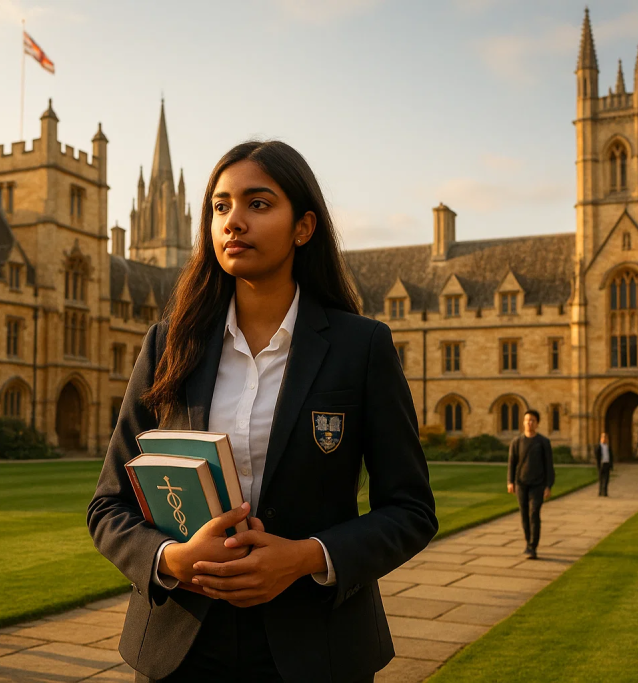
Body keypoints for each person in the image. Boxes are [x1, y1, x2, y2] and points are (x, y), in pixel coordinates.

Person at [87, 140, 438, 683]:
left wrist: (304, 557)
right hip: (181, 647)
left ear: (303, 227)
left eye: (258, 204)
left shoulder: (360, 347)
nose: (234, 222)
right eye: (221, 206)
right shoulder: (168, 346)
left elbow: (411, 510)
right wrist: (170, 560)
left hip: (315, 646)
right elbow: (108, 506)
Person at [506, 410, 554, 560]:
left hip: (538, 484)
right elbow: (512, 463)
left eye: (532, 420)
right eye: (527, 420)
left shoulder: (543, 442)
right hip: (521, 483)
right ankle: (528, 542)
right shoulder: (516, 442)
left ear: (537, 423)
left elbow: (549, 466)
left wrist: (548, 485)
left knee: (534, 514)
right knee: (524, 515)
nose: (529, 423)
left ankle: (533, 546)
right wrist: (510, 482)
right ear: (523, 422)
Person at [594, 432, 613, 497]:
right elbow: (597, 456)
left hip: (607, 464)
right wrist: (598, 465)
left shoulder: (608, 447)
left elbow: (611, 456)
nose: (605, 439)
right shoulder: (598, 447)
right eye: (604, 437)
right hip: (601, 464)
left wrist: (611, 465)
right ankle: (600, 491)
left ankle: (605, 492)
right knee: (601, 479)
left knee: (607, 479)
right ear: (601, 438)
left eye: (606, 438)